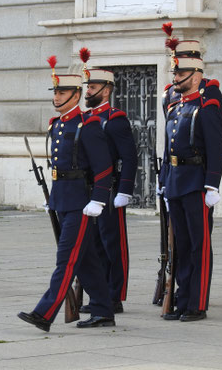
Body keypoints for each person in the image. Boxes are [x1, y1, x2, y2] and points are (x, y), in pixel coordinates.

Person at [18, 56, 115, 332]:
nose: (57, 96)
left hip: (82, 202)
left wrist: (98, 198)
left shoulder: (88, 124)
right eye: (56, 92)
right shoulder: (58, 124)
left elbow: (104, 166)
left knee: (66, 258)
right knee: (84, 259)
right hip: (63, 198)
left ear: (77, 95)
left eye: (62, 92)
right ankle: (103, 309)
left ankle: (44, 313)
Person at [161, 54, 222, 322]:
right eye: (175, 74)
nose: (175, 78)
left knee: (199, 244)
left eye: (180, 74)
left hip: (197, 182)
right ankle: (183, 298)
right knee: (182, 246)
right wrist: (164, 183)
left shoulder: (206, 105)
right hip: (176, 181)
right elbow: (167, 150)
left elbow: (215, 148)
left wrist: (212, 185)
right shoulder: (175, 107)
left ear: (196, 76)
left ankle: (197, 304)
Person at [77, 49, 138, 314]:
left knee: (113, 244)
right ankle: (99, 295)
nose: (88, 91)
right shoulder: (84, 121)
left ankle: (115, 295)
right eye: (87, 86)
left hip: (110, 190)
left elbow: (130, 158)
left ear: (107, 89)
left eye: (93, 86)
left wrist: (124, 190)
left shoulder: (115, 120)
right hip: (87, 190)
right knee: (94, 245)